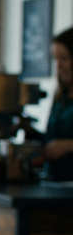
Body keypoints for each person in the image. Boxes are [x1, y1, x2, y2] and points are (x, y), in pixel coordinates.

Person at [41, 27, 73, 181]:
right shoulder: (61, 96)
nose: (58, 66)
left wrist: (68, 146)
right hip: (54, 180)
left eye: (64, 58)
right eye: (55, 59)